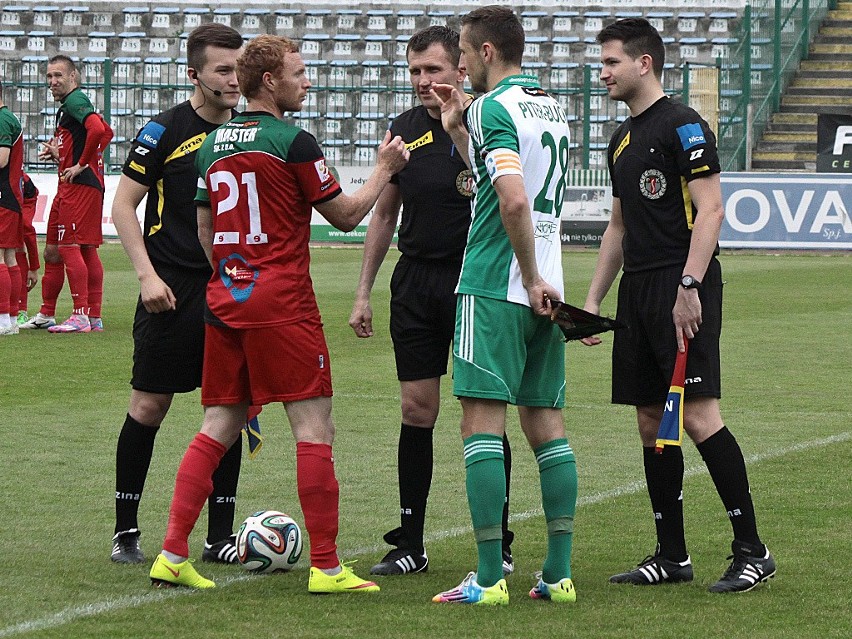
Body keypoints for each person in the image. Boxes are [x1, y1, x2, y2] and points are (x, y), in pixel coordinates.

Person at [148, 34, 410, 592]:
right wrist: (384, 167)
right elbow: (345, 215)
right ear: (270, 81)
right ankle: (328, 566)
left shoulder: (211, 143)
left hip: (225, 298)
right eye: (298, 71)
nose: (306, 80)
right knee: (314, 427)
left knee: (217, 423)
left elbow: (202, 229)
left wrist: (233, 275)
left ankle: (171, 553)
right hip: (283, 303)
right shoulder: (294, 142)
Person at [583, 18, 775, 593]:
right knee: (650, 421)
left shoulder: (685, 125)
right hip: (637, 287)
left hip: (680, 281)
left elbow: (711, 210)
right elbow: (617, 225)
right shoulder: (621, 138)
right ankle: (672, 555)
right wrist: (593, 299)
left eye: (612, 61)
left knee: (696, 415)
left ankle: (752, 549)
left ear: (644, 63)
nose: (604, 72)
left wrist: (689, 285)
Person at [348, 25, 516, 578]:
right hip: (416, 282)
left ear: (460, 70)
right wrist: (364, 292)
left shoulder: (488, 118)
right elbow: (384, 215)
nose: (423, 81)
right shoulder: (402, 131)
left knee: (481, 418)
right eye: (415, 71)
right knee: (416, 410)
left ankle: (500, 539)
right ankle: (410, 542)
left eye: (434, 70)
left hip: (476, 282)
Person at [429, 6, 577, 606]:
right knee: (547, 425)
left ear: (487, 51)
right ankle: (559, 574)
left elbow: (512, 202)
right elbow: (504, 180)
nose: (458, 63)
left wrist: (528, 274)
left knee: (480, 425)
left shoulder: (494, 106)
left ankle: (489, 579)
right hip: (550, 288)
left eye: (462, 51)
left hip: (498, 282)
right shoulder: (551, 106)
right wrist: (458, 131)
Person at [110, 24, 246, 565]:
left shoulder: (251, 131)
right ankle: (125, 530)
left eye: (239, 68)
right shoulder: (163, 130)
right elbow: (124, 206)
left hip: (230, 291)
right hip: (171, 286)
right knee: (149, 404)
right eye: (223, 70)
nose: (235, 79)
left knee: (229, 410)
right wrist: (146, 276)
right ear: (194, 75)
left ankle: (219, 537)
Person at [19, 55, 113, 333]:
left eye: (58, 75)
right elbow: (106, 134)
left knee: (70, 246)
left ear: (73, 77)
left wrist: (82, 164)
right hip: (72, 185)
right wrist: (64, 156)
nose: (52, 82)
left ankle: (81, 315)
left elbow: (99, 130)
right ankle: (57, 313)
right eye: (49, 76)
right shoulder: (69, 108)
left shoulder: (75, 100)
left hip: (79, 186)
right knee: (55, 250)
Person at [0, 80, 25, 336]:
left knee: (1, 257)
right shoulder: (9, 118)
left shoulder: (1, 120)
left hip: (3, 196)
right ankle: (10, 318)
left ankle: (3, 320)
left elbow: (1, 159)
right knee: (9, 257)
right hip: (11, 196)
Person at [15, 173, 41, 326]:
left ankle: (20, 310)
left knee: (19, 235)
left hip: (24, 191)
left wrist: (33, 267)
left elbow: (28, 233)